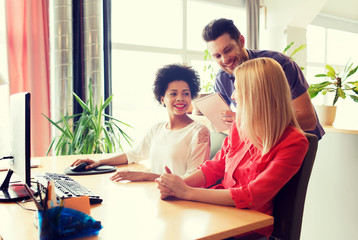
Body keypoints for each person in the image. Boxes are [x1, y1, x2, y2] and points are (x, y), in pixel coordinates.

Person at [156, 58, 309, 236]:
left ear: (256, 94)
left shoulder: (294, 142)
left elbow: (253, 195)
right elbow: (215, 168)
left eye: (237, 89)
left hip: (248, 228)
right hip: (219, 213)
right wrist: (178, 185)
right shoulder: (239, 126)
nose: (234, 96)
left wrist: (187, 192)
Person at [71, 64, 211, 181]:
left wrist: (145, 176)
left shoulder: (199, 132)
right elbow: (133, 154)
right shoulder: (157, 129)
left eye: (186, 93)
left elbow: (194, 179)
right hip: (156, 195)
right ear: (162, 98)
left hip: (182, 201)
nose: (180, 98)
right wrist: (100, 162)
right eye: (173, 94)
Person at [202, 18, 324, 140]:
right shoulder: (222, 78)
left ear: (241, 41)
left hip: (297, 139)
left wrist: (248, 122)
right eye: (217, 56)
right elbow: (219, 125)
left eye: (228, 50)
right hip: (259, 141)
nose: (225, 60)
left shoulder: (280, 64)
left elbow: (308, 120)